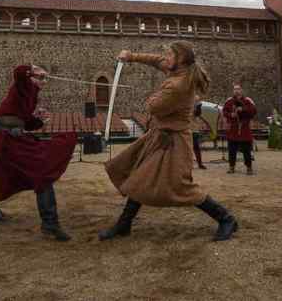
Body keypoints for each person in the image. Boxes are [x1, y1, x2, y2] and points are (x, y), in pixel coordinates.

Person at [99, 42, 238, 242]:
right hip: (160, 136)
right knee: (139, 176)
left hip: (173, 141)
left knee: (180, 186)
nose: (166, 57)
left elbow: (153, 107)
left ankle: (226, 218)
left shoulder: (177, 85)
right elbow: (158, 61)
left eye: (171, 55)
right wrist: (131, 56)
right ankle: (124, 224)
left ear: (180, 59)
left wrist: (152, 96)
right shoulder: (180, 70)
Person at [0, 65, 77, 242]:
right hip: (5, 138)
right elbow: (18, 73)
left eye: (44, 79)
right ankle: (50, 224)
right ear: (30, 78)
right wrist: (32, 69)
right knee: (42, 171)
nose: (43, 81)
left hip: (6, 137)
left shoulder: (32, 96)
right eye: (39, 78)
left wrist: (39, 120)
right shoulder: (22, 86)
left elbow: (24, 122)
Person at [222, 83, 257, 175]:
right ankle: (231, 167)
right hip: (233, 128)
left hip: (244, 128)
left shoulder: (247, 100)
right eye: (235, 89)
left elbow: (253, 111)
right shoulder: (229, 101)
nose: (236, 91)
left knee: (246, 150)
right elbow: (224, 111)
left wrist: (243, 109)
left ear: (241, 90)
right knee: (232, 149)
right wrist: (231, 115)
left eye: (238, 89)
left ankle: (249, 168)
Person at [192, 101, 207, 169]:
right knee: (188, 148)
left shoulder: (195, 110)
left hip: (194, 131)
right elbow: (196, 113)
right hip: (188, 131)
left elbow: (198, 114)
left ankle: (200, 163)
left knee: (196, 147)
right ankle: (189, 164)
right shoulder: (188, 108)